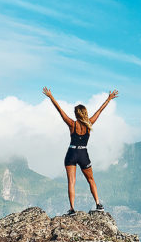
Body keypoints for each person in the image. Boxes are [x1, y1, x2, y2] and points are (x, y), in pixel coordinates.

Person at [42, 86, 118, 215]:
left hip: (71, 153)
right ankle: (98, 204)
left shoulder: (72, 124)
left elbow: (59, 110)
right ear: (85, 113)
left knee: (71, 182)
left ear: (76, 114)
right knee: (91, 180)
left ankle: (72, 209)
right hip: (83, 154)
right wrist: (109, 99)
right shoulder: (90, 123)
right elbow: (100, 110)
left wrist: (51, 96)